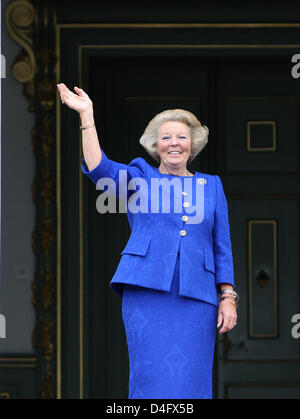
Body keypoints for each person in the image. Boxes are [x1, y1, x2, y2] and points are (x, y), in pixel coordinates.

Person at [57, 83, 238, 399]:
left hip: (198, 297)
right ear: (155, 145)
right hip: (147, 292)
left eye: (182, 137)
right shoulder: (141, 176)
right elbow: (100, 170)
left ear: (192, 145)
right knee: (150, 378)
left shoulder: (212, 186)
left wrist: (228, 296)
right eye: (166, 137)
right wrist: (87, 117)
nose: (174, 143)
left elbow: (222, 245)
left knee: (192, 383)